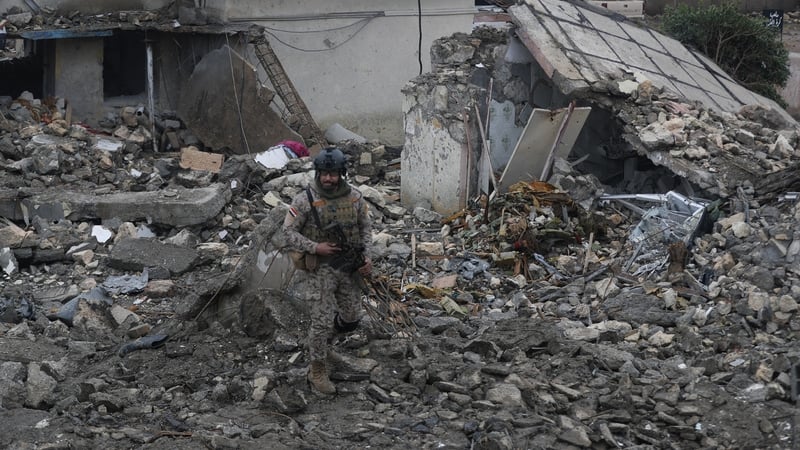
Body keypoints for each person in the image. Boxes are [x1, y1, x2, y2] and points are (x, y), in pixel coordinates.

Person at [282, 146, 373, 394]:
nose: (328, 178)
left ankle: (321, 344)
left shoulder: (355, 197)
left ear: (341, 173)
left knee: (353, 317)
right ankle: (317, 368)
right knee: (321, 322)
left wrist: (367, 257)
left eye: (333, 174)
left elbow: (365, 228)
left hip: (348, 267)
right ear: (318, 172)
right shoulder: (304, 200)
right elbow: (288, 232)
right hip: (319, 269)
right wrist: (315, 246)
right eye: (324, 173)